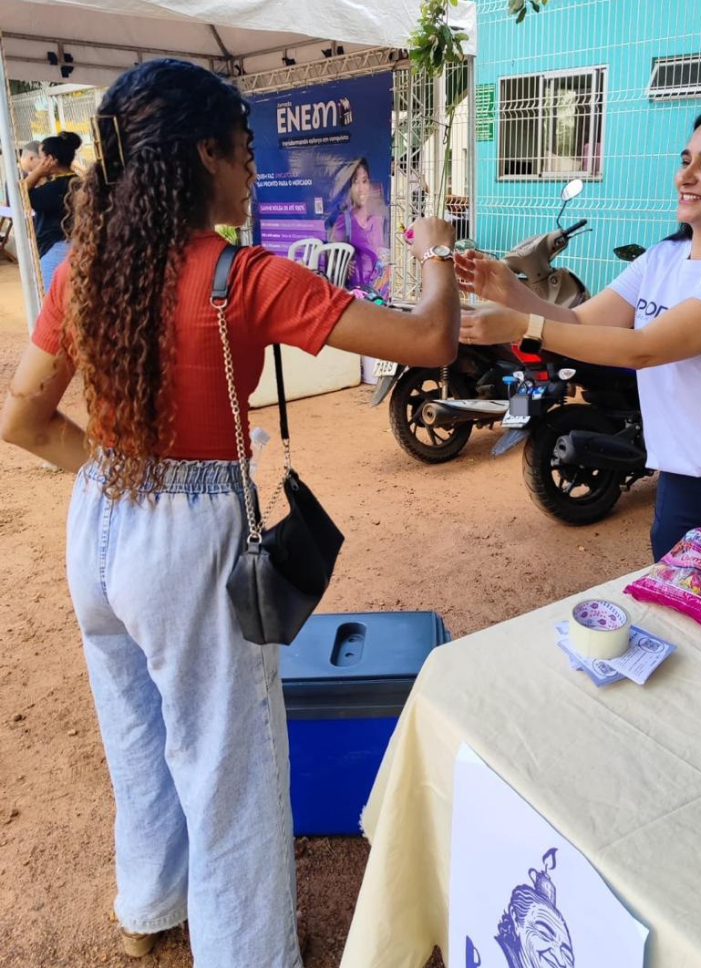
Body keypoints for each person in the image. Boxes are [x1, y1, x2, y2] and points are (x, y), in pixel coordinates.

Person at [0, 58, 459, 967]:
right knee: (229, 765)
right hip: (191, 538)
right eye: (246, 153)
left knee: (136, 734)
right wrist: (439, 248)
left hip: (98, 525)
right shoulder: (241, 276)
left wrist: (119, 474)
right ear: (203, 153)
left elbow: (23, 418)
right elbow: (430, 339)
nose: (253, 172)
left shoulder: (84, 272)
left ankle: (149, 906)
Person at [456, 104, 701, 594]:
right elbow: (581, 323)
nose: (685, 176)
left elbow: (645, 349)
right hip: (679, 489)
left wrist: (524, 323)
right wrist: (509, 291)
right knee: (685, 646)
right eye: (686, 159)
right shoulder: (664, 257)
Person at [22, 131, 81, 288]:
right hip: (79, 246)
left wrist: (37, 173)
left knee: (53, 302)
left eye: (41, 157)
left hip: (55, 250)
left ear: (51, 160)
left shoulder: (54, 188)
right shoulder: (79, 182)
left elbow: (21, 195)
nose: (39, 162)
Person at [330, 156, 390, 290]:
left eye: (364, 181)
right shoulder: (345, 220)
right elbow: (331, 252)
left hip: (377, 293)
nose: (361, 188)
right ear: (349, 187)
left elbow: (382, 257)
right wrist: (341, 265)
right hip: (355, 295)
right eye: (355, 182)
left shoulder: (378, 219)